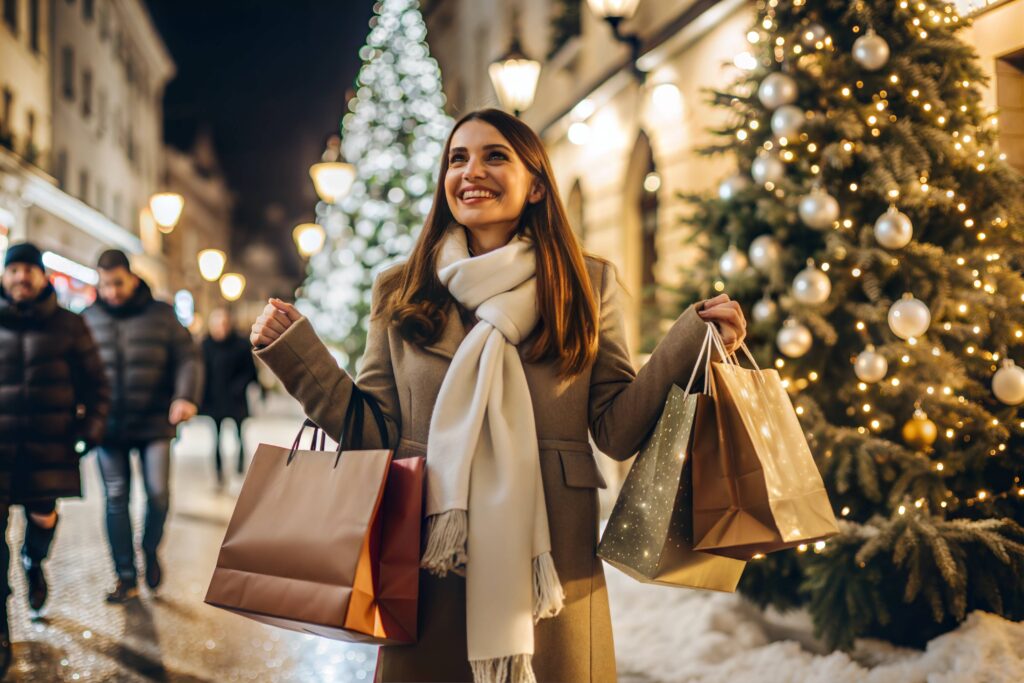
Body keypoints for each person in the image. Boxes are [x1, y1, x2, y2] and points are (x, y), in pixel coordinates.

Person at [250, 109, 746, 683]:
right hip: (431, 554)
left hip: (551, 561)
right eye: (457, 158)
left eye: (494, 156)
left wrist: (691, 340)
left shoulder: (587, 283)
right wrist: (297, 355)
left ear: (536, 185)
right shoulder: (402, 287)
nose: (470, 171)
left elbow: (616, 430)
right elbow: (376, 434)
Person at [0, 243, 110, 676]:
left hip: (48, 449)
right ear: (5, 276)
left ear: (42, 276)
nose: (21, 278)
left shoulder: (70, 325)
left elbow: (97, 385)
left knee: (42, 519)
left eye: (29, 270)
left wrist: (89, 432)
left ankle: (35, 561)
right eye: (14, 270)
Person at [83, 249, 202, 603]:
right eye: (105, 285)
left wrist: (185, 396)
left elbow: (189, 357)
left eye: (117, 283)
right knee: (116, 497)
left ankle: (149, 549)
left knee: (158, 495)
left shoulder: (162, 315)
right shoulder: (88, 318)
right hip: (109, 425)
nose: (112, 292)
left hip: (154, 421)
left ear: (132, 278)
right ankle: (125, 575)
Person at [199, 307, 258, 485]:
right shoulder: (205, 345)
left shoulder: (240, 344)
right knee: (215, 437)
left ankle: (240, 465)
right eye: (217, 324)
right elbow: (201, 373)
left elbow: (250, 372)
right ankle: (218, 471)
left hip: (235, 399)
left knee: (239, 434)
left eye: (224, 324)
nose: (221, 328)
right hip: (215, 399)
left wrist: (239, 388)